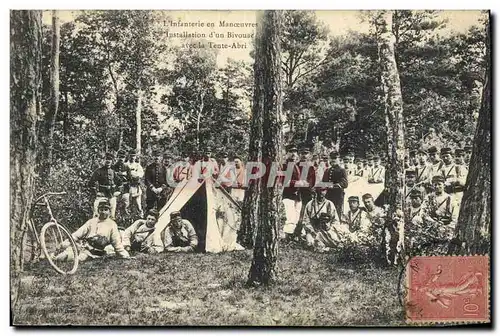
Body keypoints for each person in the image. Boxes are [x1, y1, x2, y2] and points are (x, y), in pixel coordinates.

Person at [53, 199, 130, 262]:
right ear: (98, 210)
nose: (103, 212)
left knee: (79, 259)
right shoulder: (91, 222)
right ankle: (52, 257)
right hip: (83, 246)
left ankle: (69, 257)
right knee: (62, 256)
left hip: (96, 252)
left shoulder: (112, 224)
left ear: (109, 211)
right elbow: (77, 234)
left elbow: (117, 243)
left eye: (105, 210)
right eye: (101, 209)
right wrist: (66, 242)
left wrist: (125, 255)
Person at [303, 187, 341, 252]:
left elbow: (336, 221)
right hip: (313, 231)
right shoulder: (310, 204)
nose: (321, 192)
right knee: (310, 242)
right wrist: (312, 231)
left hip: (326, 231)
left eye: (323, 190)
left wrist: (330, 228)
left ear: (326, 191)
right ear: (316, 191)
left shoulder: (329, 204)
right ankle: (326, 248)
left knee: (335, 239)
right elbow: (306, 221)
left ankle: (325, 246)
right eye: (319, 190)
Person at [424, 175, 458, 240]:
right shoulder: (428, 198)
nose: (437, 187)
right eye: (435, 185)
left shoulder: (451, 199)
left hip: (446, 228)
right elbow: (423, 213)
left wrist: (447, 229)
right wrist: (433, 224)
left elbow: (455, 218)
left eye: (439, 184)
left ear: (444, 185)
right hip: (431, 227)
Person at [89, 152, 121, 219]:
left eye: (110, 159)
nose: (108, 161)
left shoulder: (113, 172)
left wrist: (118, 192)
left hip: (111, 194)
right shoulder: (99, 171)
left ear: (112, 161)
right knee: (96, 209)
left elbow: (120, 183)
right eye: (107, 159)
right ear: (104, 160)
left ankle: (111, 224)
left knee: (112, 212)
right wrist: (96, 193)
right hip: (102, 194)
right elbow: (91, 183)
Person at [281, 145, 302, 239]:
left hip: (297, 195)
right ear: (287, 153)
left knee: (296, 215)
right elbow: (284, 181)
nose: (293, 154)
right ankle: (287, 235)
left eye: (295, 152)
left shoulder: (296, 166)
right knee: (289, 215)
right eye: (291, 151)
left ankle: (293, 234)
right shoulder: (284, 166)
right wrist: (297, 183)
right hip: (288, 193)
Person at [322, 151, 348, 217]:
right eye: (332, 158)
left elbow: (345, 183)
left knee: (337, 211)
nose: (333, 160)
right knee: (328, 210)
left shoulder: (342, 170)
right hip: (328, 194)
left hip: (338, 195)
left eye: (335, 158)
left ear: (338, 159)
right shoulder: (327, 170)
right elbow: (323, 182)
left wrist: (334, 185)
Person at [113, 149, 132, 218]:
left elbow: (130, 179)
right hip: (116, 188)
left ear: (125, 158)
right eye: (120, 157)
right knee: (116, 203)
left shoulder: (127, 167)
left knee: (126, 203)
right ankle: (116, 217)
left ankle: (125, 219)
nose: (121, 159)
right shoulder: (113, 167)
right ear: (117, 157)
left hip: (125, 188)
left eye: (123, 157)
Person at [127, 152, 145, 218]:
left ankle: (140, 215)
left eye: (133, 156)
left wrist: (135, 175)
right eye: (131, 156)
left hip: (135, 186)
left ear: (135, 157)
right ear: (129, 156)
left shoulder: (137, 165)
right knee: (128, 203)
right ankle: (128, 217)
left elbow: (141, 174)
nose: (132, 157)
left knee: (138, 203)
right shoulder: (126, 164)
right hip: (128, 186)